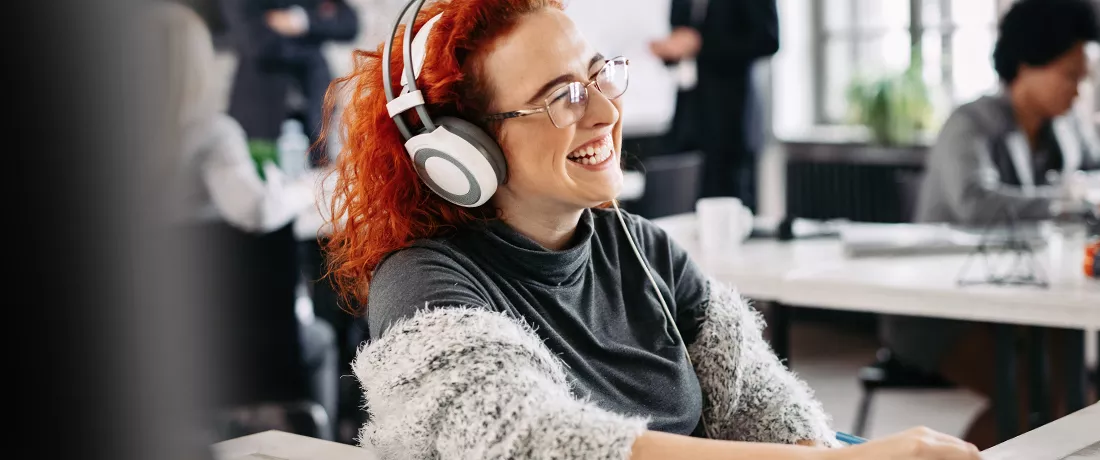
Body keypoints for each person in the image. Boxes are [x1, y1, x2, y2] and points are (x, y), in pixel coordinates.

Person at [322, 0, 980, 459]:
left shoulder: (646, 248)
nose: (608, 111)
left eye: (597, 76)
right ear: (463, 149)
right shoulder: (422, 284)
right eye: (563, 97)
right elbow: (529, 444)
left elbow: (772, 415)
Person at [885, 0, 1100, 449]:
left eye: (1084, 79)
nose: (1077, 92)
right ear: (1027, 62)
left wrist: (1094, 189)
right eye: (1069, 75)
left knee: (1071, 394)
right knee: (1026, 395)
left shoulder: (1067, 127)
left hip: (1027, 298)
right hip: (945, 308)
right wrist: (1073, 198)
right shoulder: (971, 123)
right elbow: (978, 205)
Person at [153, 1, 338, 438]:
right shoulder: (211, 136)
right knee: (323, 340)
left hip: (162, 343)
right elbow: (256, 212)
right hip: (236, 347)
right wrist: (301, 189)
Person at [655, 0, 779, 210]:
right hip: (688, 115)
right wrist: (671, 50)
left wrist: (701, 44)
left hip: (732, 116)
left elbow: (768, 39)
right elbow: (681, 38)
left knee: (730, 200)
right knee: (684, 200)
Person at [218, 0, 359, 167]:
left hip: (314, 116)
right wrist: (313, 40)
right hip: (261, 116)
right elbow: (255, 42)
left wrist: (300, 21)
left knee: (317, 183)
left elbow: (349, 24)